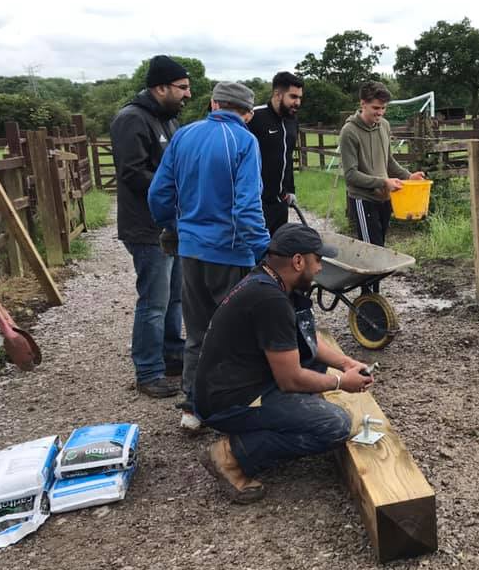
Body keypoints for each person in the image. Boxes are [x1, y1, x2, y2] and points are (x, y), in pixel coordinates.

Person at [193, 223, 373, 503]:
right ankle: (231, 455)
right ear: (298, 261)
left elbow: (307, 339)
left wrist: (345, 362)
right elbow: (291, 380)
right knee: (335, 424)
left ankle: (286, 417)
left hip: (232, 385)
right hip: (229, 402)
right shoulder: (270, 300)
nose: (320, 268)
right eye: (317, 260)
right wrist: (342, 382)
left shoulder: (269, 281)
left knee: (312, 364)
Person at [148, 81, 271, 432]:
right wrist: (264, 249)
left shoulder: (184, 136)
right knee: (238, 332)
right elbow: (246, 207)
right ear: (247, 113)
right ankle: (235, 407)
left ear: (215, 104)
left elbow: (159, 194)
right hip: (230, 254)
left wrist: (173, 227)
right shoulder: (245, 141)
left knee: (198, 331)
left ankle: (191, 408)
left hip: (191, 251)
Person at [110, 55, 191, 398]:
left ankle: (172, 354)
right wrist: (175, 188)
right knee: (154, 302)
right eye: (182, 88)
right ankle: (148, 371)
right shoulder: (132, 119)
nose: (188, 94)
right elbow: (132, 172)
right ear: (160, 87)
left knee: (175, 297)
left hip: (169, 224)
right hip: (145, 227)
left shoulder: (167, 120)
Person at [340, 81, 426, 250]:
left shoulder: (385, 126)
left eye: (383, 108)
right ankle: (370, 277)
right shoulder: (349, 132)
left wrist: (409, 176)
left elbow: (389, 161)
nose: (380, 113)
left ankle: (374, 277)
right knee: (372, 250)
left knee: (380, 247)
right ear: (363, 104)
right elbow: (350, 175)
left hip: (385, 197)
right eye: (376, 108)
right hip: (362, 199)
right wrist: (383, 182)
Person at [248, 71, 304, 235]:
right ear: (278, 94)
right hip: (257, 204)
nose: (298, 102)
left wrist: (291, 189)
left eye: (300, 97)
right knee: (257, 255)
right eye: (293, 97)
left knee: (278, 253)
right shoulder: (254, 117)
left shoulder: (292, 120)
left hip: (281, 202)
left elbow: (288, 157)